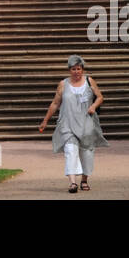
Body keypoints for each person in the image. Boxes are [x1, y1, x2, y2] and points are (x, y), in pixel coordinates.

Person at [38, 54, 107, 193]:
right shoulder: (63, 84)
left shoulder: (89, 81)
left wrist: (93, 106)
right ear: (69, 70)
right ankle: (72, 183)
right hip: (67, 123)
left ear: (82, 69)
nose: (76, 72)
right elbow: (55, 103)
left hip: (86, 122)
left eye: (79, 68)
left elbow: (100, 97)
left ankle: (84, 180)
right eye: (73, 69)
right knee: (70, 150)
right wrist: (45, 120)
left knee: (86, 152)